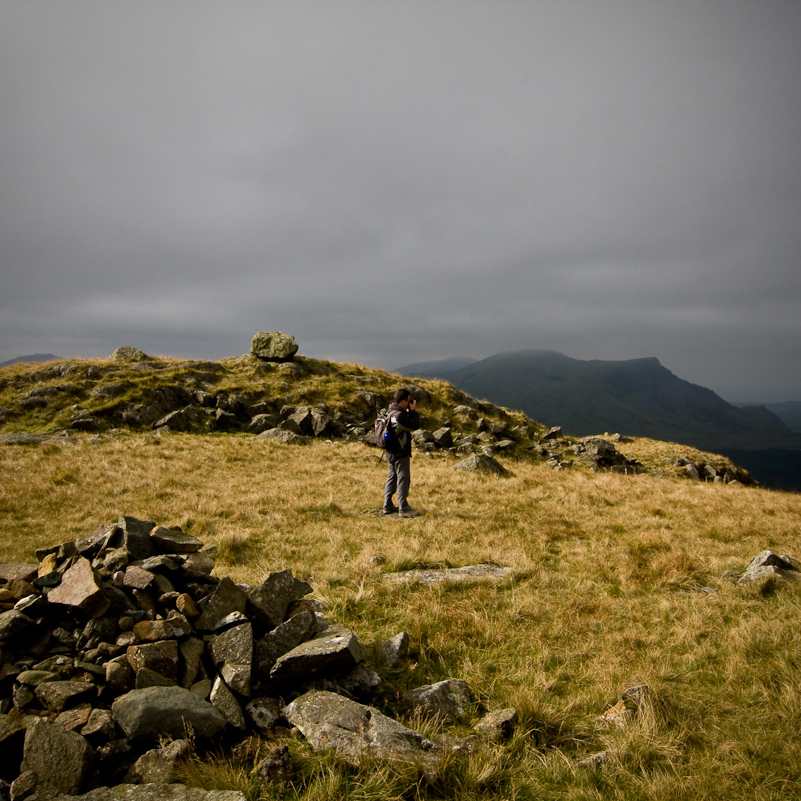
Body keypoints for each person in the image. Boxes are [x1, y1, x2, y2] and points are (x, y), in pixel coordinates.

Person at [383, 388, 421, 516]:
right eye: (408, 401)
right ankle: (403, 507)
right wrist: (413, 411)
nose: (410, 403)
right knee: (403, 478)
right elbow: (415, 425)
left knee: (392, 477)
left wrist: (408, 411)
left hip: (391, 451)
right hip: (401, 451)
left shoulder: (390, 412)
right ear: (403, 401)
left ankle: (387, 505)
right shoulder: (399, 416)